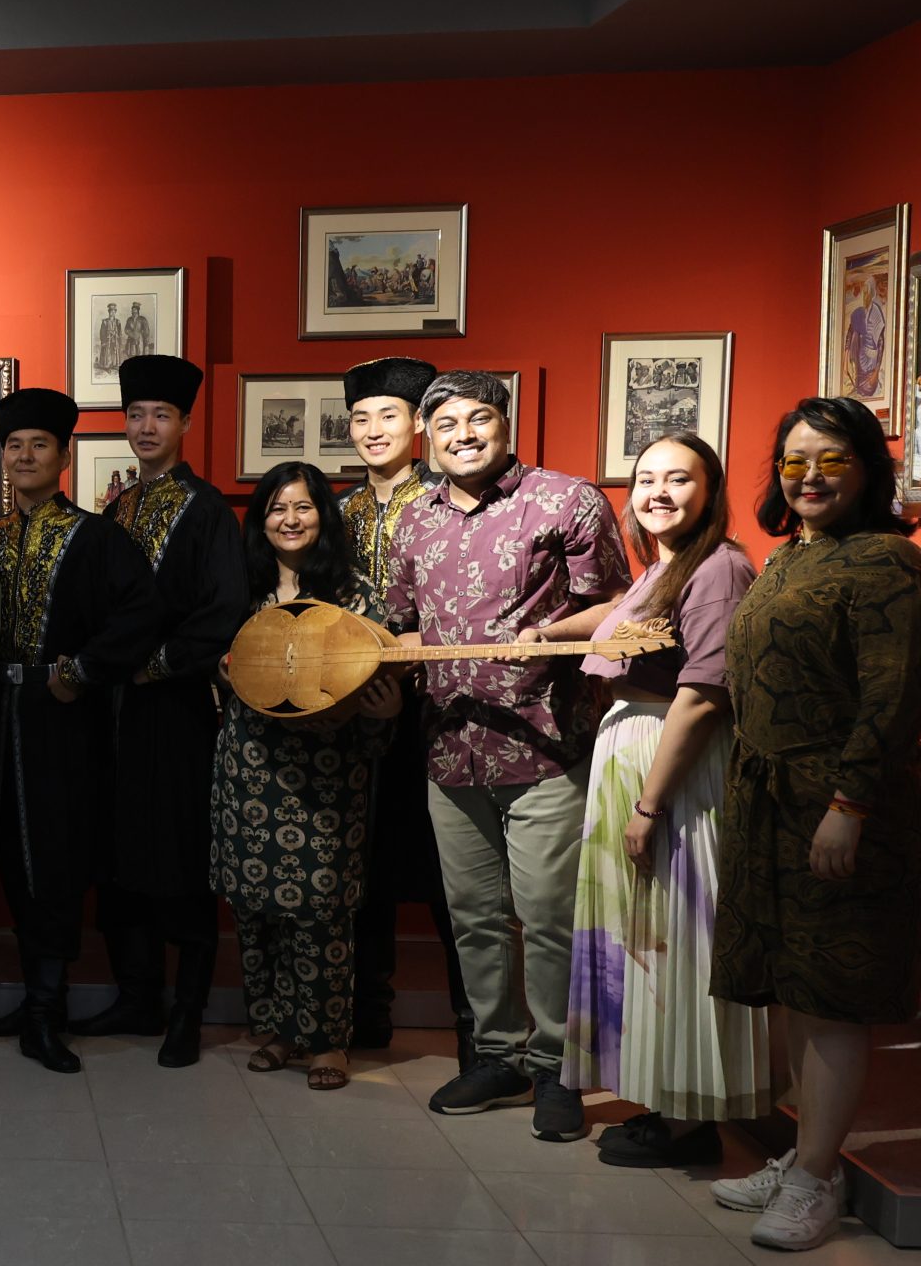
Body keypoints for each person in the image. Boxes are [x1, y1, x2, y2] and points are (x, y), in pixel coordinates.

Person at [381, 370, 629, 1141]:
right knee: (474, 918)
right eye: (446, 423)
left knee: (548, 918)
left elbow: (617, 604)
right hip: (449, 750)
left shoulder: (565, 500)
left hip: (544, 744)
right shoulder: (413, 520)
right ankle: (499, 1056)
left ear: (505, 421)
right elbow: (404, 624)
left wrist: (550, 633)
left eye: (479, 418)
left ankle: (557, 1067)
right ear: (427, 436)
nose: (463, 434)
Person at [710, 398, 921, 1249]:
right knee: (795, 989)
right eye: (795, 460)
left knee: (832, 997)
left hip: (838, 805)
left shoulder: (887, 562)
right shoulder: (789, 556)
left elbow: (893, 697)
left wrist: (849, 805)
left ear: (867, 467)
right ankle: (809, 1157)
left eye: (831, 459)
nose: (809, 476)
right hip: (769, 803)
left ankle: (814, 1181)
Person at [538, 435, 762, 1164]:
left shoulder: (719, 567)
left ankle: (690, 1118)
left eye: (678, 479)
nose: (658, 492)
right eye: (645, 479)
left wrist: (649, 804)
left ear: (711, 490)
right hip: (636, 755)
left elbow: (704, 694)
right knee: (645, 937)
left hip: (673, 768)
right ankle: (663, 1099)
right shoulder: (663, 569)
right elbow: (613, 617)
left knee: (677, 934)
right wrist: (541, 632)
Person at [0, 388, 161, 1074]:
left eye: (39, 445)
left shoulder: (96, 536)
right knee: (12, 860)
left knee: (57, 858)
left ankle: (48, 1012)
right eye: (14, 445)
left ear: (64, 455)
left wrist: (81, 669)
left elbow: (143, 613)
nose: (24, 456)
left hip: (62, 720)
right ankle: (31, 1000)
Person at [215, 464, 399, 1091]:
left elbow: (376, 693)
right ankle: (274, 1029)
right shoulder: (240, 590)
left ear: (324, 515)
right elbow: (216, 667)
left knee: (321, 909)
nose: (289, 519)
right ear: (259, 519)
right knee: (256, 907)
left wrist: (383, 715)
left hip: (326, 778)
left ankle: (327, 1040)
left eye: (303, 507)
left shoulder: (355, 596)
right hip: (247, 770)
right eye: (276, 508)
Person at [94, 354, 247, 1068]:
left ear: (185, 422)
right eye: (136, 414)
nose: (147, 426)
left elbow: (223, 610)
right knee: (121, 850)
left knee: (179, 853)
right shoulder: (116, 509)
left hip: (178, 706)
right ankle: (136, 994)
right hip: (115, 709)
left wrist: (154, 664)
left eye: (161, 414)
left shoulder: (207, 509)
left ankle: (187, 1009)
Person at [336, 356, 472, 1060]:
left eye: (388, 415)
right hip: (353, 714)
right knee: (362, 867)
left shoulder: (449, 501)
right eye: (360, 418)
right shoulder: (336, 513)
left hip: (436, 712)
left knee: (454, 876)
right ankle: (367, 1013)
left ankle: (476, 1030)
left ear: (418, 423)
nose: (373, 430)